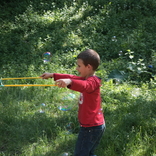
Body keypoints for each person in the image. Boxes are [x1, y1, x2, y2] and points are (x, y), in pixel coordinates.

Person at [40, 49, 105, 156]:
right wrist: (52, 75)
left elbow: (85, 86)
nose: (76, 68)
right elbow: (72, 77)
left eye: (79, 66)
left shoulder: (93, 81)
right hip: (94, 126)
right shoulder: (86, 78)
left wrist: (70, 82)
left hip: (90, 128)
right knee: (88, 153)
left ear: (88, 67)